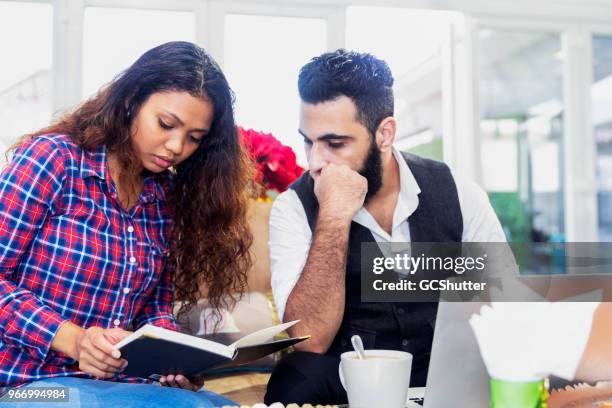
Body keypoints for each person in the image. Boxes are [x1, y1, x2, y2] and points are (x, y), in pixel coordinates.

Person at [0, 41, 253, 407]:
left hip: (111, 385)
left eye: (194, 138)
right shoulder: (53, 161)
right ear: (132, 99)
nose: (176, 147)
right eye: (166, 124)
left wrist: (175, 360)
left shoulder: (162, 195)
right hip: (29, 384)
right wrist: (72, 339)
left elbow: (153, 309)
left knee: (218, 405)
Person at [264, 49, 506, 405]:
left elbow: (502, 298)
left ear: (385, 133)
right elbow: (307, 339)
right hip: (348, 380)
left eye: (334, 144)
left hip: (445, 376)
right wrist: (333, 216)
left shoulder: (456, 190)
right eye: (308, 141)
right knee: (296, 375)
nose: (315, 162)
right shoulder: (293, 208)